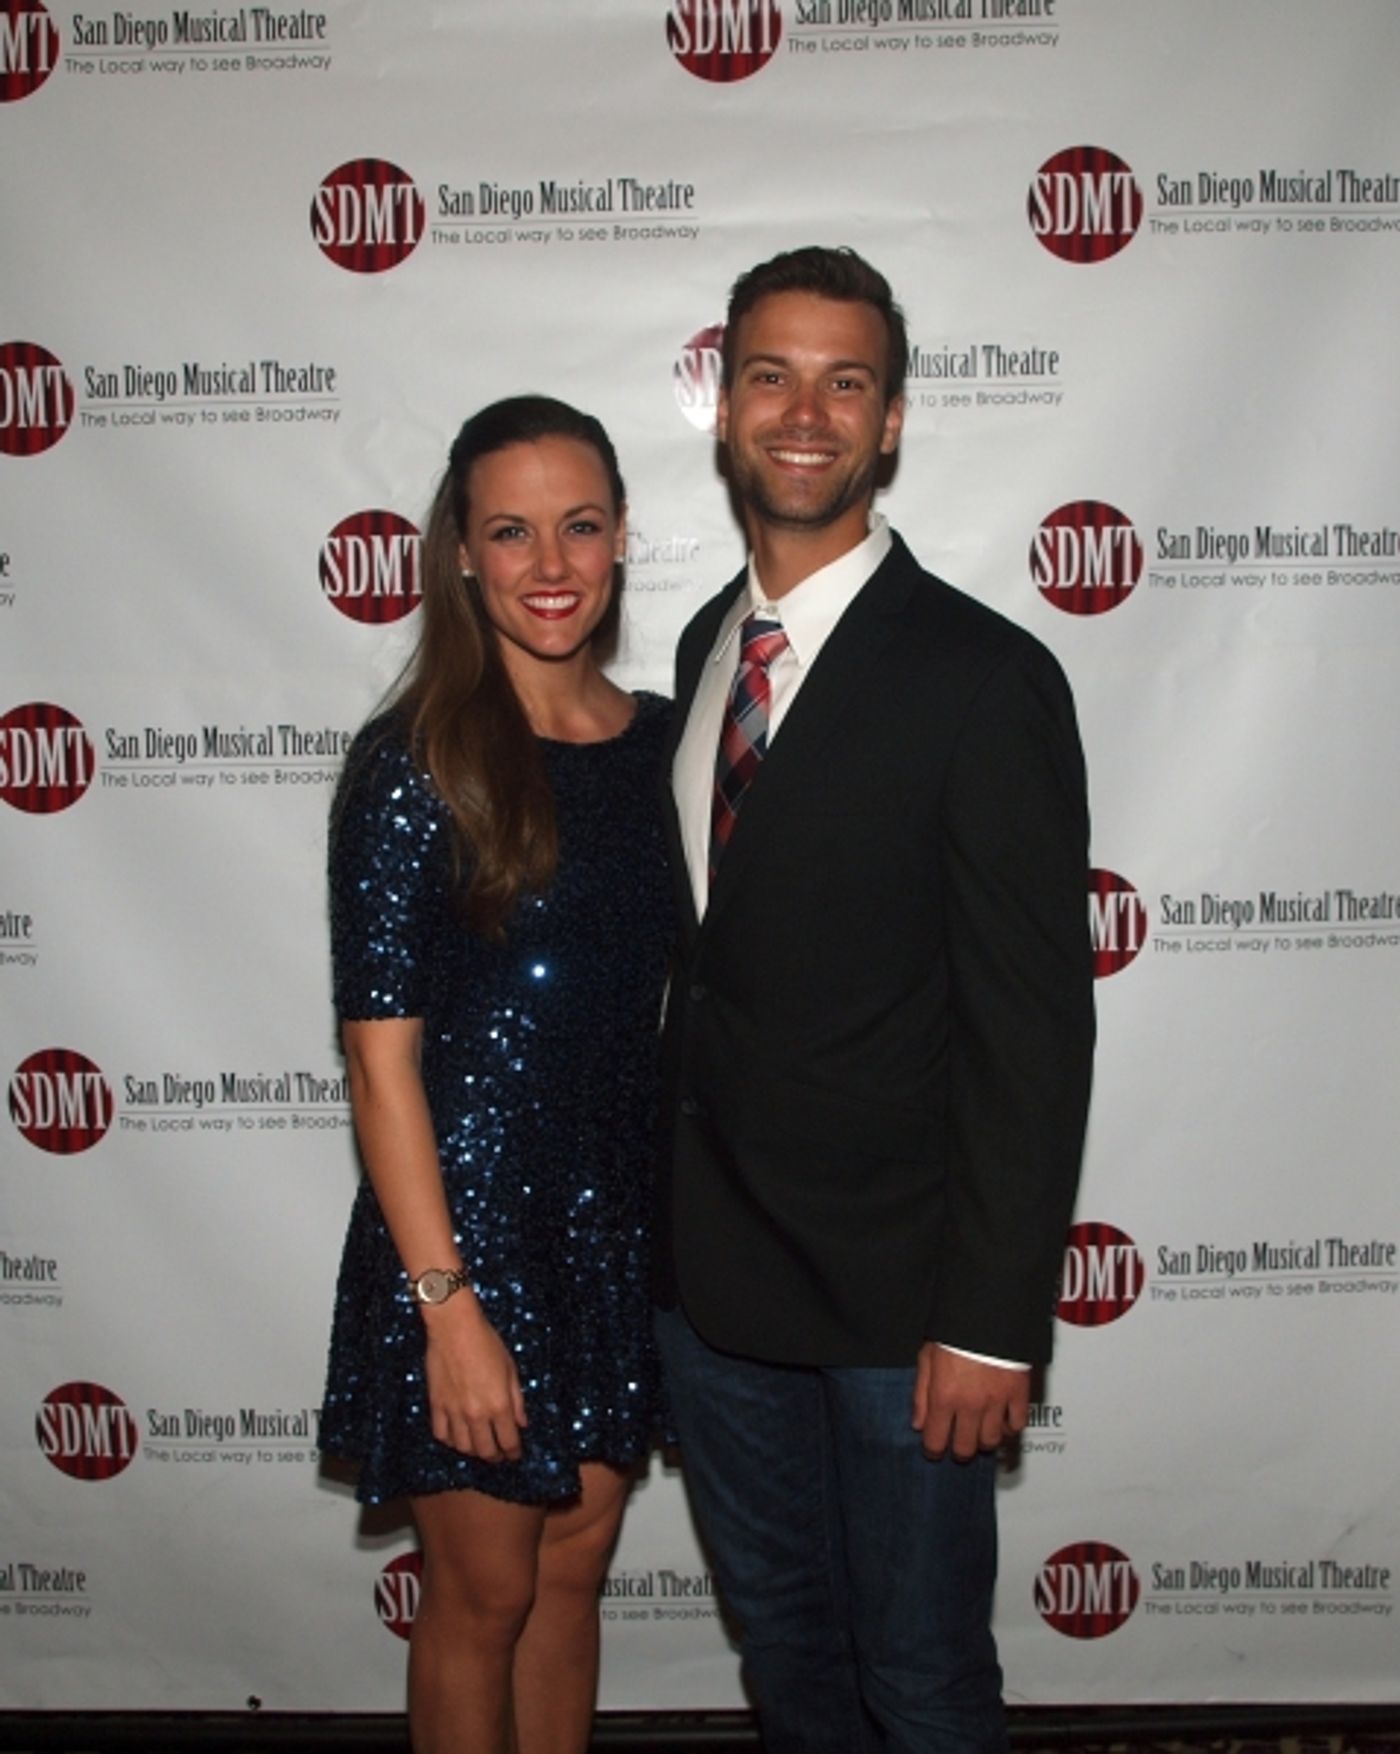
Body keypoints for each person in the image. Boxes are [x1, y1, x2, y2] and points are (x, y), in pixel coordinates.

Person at [655, 247, 1095, 1752]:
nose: (805, 411)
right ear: (721, 407)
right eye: (770, 373)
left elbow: (1034, 1027)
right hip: (711, 1298)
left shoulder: (988, 676)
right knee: (785, 1653)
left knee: (917, 1677)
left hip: (904, 1310)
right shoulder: (700, 644)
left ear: (891, 420)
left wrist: (991, 1319)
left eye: (847, 381)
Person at [320, 396, 672, 1754]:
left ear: (624, 537)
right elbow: (379, 1061)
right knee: (484, 1588)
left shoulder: (658, 742)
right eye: (511, 530)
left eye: (579, 526)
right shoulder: (416, 763)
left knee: (573, 1573)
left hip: (610, 1229)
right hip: (463, 1236)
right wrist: (447, 1307)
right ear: (459, 552)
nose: (550, 564)